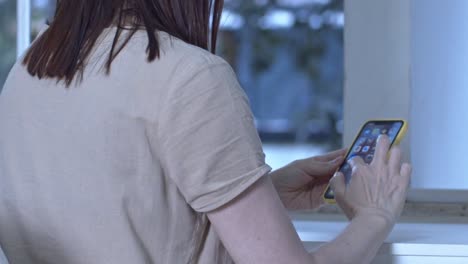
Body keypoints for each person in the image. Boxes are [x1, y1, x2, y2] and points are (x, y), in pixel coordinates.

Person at [0, 0, 412, 263]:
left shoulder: (30, 68)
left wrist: (257, 197)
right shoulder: (189, 76)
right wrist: (374, 217)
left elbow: (104, 206)